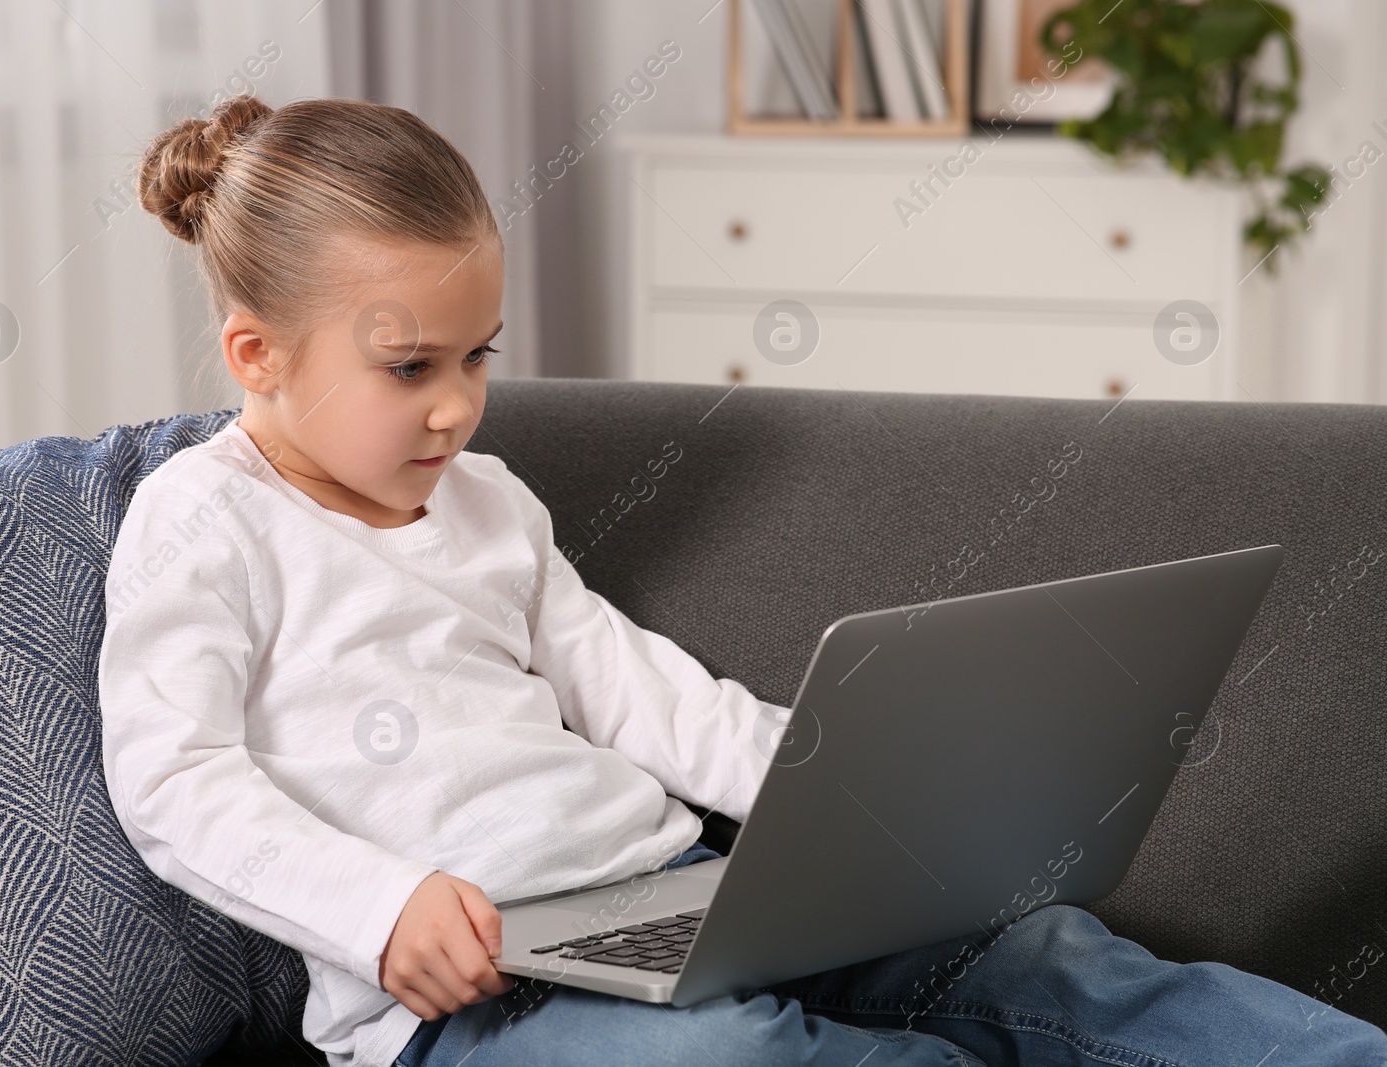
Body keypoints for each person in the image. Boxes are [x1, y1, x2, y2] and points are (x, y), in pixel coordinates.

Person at [96, 93, 1387, 1067]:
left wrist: (856, 805)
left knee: (1041, 953)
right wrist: (380, 908)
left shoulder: (489, 507)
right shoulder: (203, 522)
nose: (458, 410)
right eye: (408, 367)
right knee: (739, 1055)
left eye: (477, 356)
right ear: (257, 355)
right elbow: (175, 783)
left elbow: (642, 694)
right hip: (472, 1006)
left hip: (670, 897)